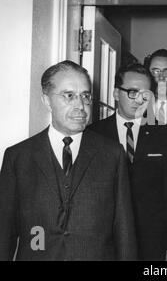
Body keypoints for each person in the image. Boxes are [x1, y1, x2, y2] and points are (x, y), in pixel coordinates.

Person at [0, 60, 137, 261]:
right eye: (69, 96)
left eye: (85, 96)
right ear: (46, 101)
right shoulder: (18, 157)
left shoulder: (112, 154)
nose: (80, 106)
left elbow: (124, 229)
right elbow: (4, 233)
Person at [88, 63, 167, 261]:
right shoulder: (94, 134)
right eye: (132, 92)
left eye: (145, 93)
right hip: (105, 240)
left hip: (152, 241)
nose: (140, 100)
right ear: (116, 93)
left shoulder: (165, 134)